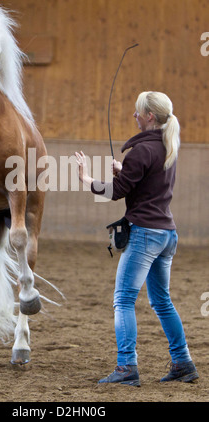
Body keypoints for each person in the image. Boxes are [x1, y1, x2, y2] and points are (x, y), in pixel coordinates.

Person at [75, 91, 198, 387]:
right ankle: (183, 363)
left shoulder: (142, 151)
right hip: (167, 234)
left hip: (145, 235)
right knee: (162, 301)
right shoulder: (168, 146)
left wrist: (87, 179)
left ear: (149, 117)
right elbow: (145, 183)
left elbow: (115, 192)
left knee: (123, 300)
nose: (134, 116)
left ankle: (127, 366)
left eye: (137, 112)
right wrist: (124, 171)